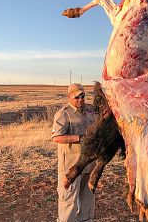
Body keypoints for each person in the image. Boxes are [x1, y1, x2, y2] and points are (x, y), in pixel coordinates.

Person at [52, 83, 95, 222]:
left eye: (82, 96)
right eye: (77, 97)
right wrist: (79, 138)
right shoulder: (63, 114)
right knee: (68, 201)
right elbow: (56, 137)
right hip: (71, 166)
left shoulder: (91, 111)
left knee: (87, 199)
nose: (80, 99)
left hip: (89, 165)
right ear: (69, 97)